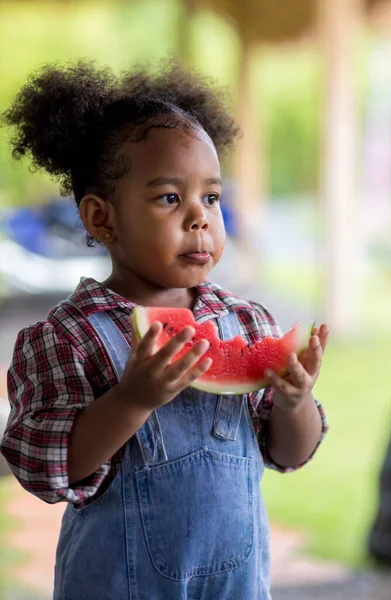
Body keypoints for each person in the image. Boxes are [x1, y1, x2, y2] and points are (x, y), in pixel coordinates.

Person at [0, 59, 329, 600]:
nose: (199, 217)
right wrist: (132, 398)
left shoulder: (246, 323)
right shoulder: (67, 337)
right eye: (170, 198)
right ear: (101, 218)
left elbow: (290, 453)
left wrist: (296, 400)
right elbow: (45, 470)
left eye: (213, 197)